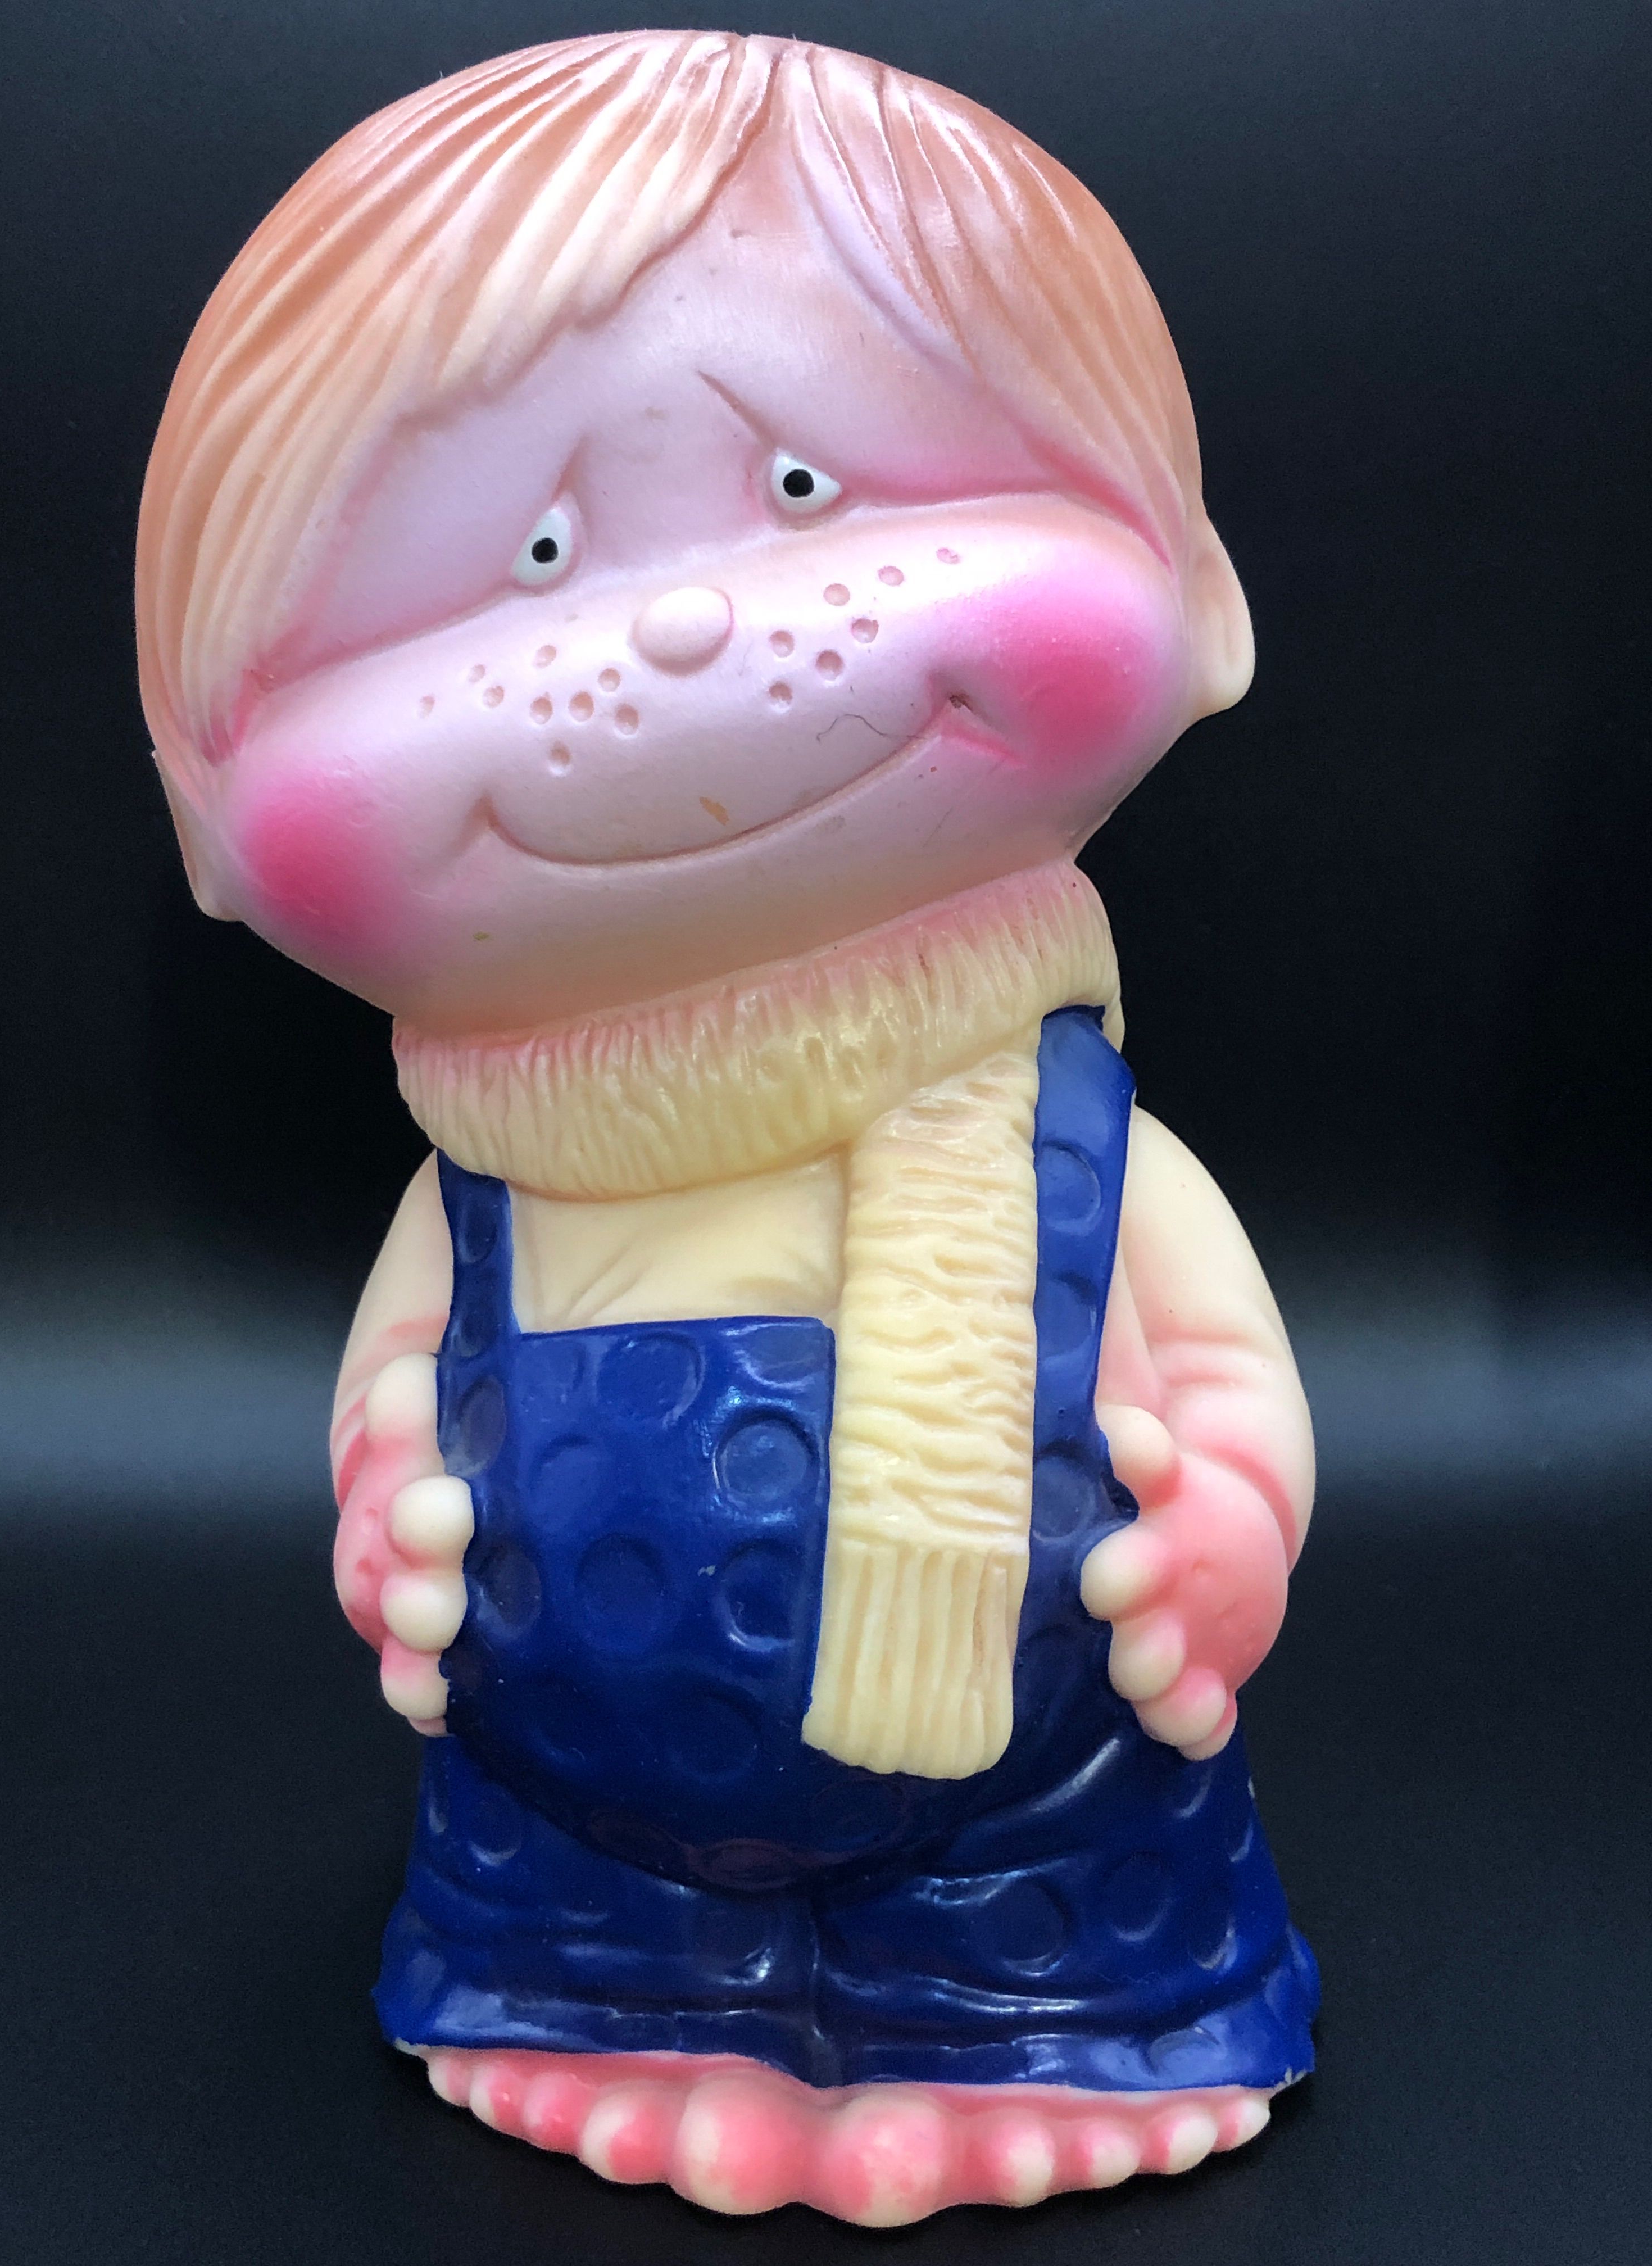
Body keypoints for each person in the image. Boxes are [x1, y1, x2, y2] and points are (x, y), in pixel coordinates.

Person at [136, 31, 1317, 2223]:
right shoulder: (491, 1173)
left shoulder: (1070, 1127)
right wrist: (392, 1512)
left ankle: (1018, 2020)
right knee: (574, 1904)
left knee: (1052, 1888)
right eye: (534, 551)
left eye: (799, 489)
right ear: (217, 813)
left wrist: (1228, 1522)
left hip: (1047, 1797)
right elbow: (403, 1379)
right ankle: (639, 1994)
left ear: (1200, 592)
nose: (679, 630)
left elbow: (1223, 1361)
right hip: (577, 1815)